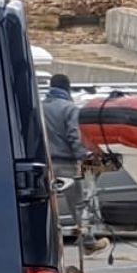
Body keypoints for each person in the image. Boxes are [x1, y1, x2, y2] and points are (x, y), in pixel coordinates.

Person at [42, 74, 103, 254]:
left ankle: (47, 245)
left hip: (47, 164)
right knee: (77, 204)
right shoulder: (69, 109)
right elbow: (74, 136)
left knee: (48, 206)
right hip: (65, 163)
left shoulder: (41, 108)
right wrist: (83, 157)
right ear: (67, 88)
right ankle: (88, 242)